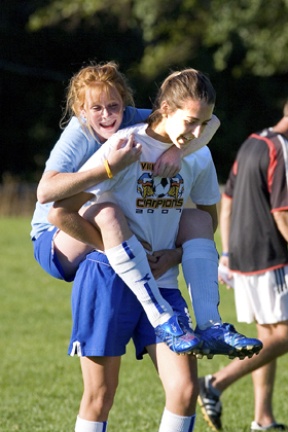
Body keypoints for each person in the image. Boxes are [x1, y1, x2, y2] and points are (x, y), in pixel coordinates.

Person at [48, 68, 262, 432]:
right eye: (190, 121)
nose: (197, 133)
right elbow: (59, 213)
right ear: (164, 109)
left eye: (204, 124)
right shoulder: (124, 146)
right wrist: (115, 244)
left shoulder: (198, 156)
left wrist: (176, 255)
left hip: (163, 280)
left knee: (184, 390)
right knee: (100, 396)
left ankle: (210, 324)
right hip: (107, 279)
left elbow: (205, 220)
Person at [31, 61, 222, 354]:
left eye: (114, 105)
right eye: (96, 108)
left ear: (126, 103)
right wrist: (108, 168)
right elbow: (46, 195)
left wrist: (177, 149)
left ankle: (207, 325)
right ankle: (159, 313)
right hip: (56, 238)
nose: (107, 115)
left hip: (94, 218)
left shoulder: (136, 119)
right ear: (82, 111)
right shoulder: (79, 133)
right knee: (109, 213)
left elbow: (211, 122)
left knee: (190, 218)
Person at [198, 100, 288, 432]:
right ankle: (215, 383)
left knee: (269, 334)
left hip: (245, 257)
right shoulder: (281, 148)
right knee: (284, 334)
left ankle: (263, 418)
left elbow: (229, 199)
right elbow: (282, 215)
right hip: (272, 256)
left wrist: (228, 253)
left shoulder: (253, 142)